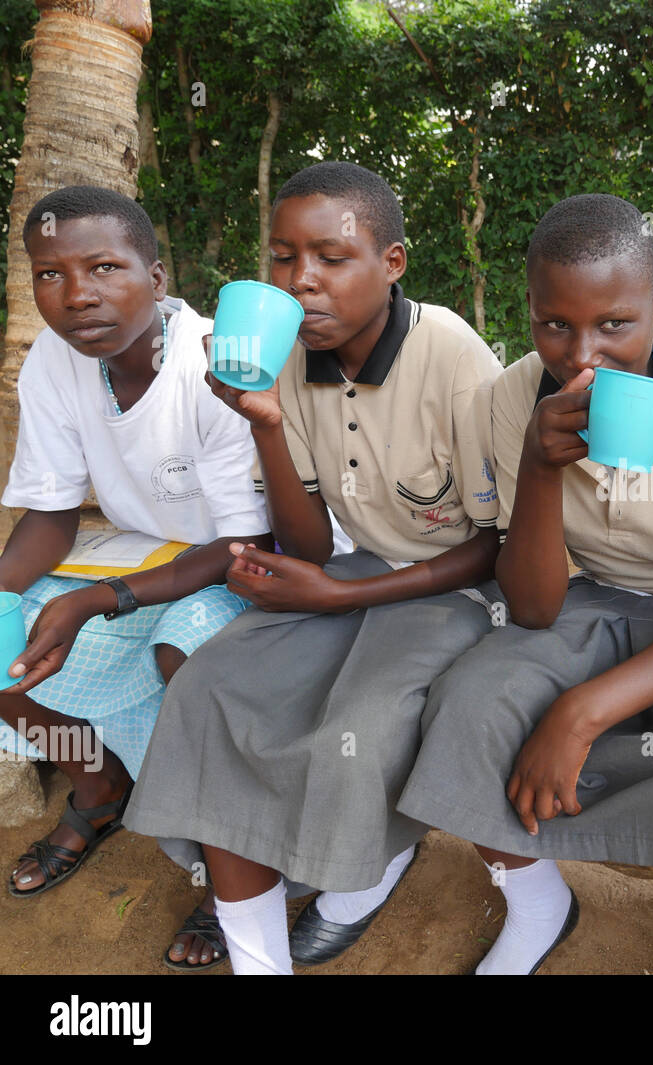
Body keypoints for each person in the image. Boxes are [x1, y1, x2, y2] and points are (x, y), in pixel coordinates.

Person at [396, 193, 653, 975]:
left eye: (615, 323)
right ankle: (539, 904)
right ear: (532, 315)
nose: (584, 356)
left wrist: (581, 712)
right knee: (465, 710)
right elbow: (537, 605)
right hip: (590, 600)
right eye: (556, 325)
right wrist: (542, 470)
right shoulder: (510, 397)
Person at [121, 161, 502, 975]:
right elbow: (313, 547)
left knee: (352, 732)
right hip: (355, 568)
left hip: (459, 583)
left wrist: (341, 593)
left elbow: (495, 542)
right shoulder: (287, 356)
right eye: (285, 259)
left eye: (331, 258)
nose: (303, 283)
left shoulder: (452, 354)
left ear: (391, 264)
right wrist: (263, 422)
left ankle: (366, 875)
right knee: (207, 688)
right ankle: (260, 958)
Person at [0, 185, 271, 970]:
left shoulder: (220, 363)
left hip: (237, 565)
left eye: (104, 267)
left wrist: (100, 599)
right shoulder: (55, 361)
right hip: (139, 553)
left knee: (182, 663)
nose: (76, 294)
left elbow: (243, 543)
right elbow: (51, 515)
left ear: (156, 278)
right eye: (49, 274)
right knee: (5, 648)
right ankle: (97, 790)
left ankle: (234, 872)